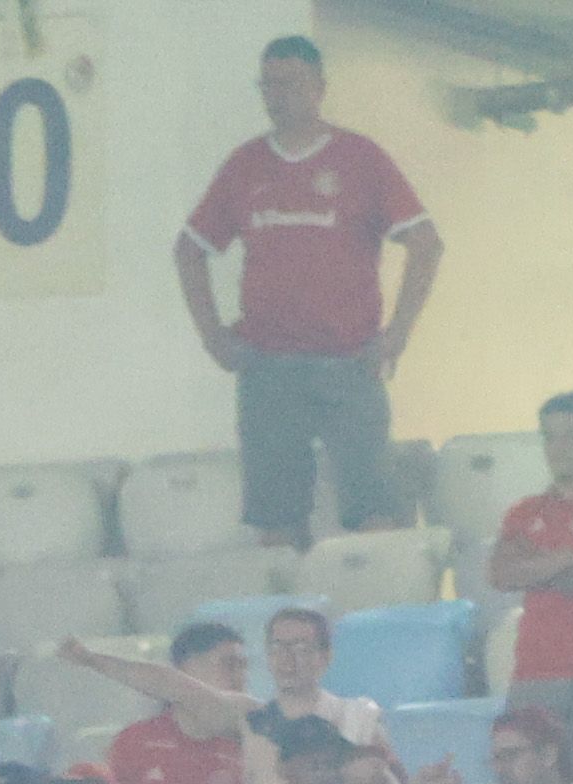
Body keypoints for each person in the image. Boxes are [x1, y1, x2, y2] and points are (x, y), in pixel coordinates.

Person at [176, 36, 438, 548]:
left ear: (319, 87)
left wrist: (397, 336)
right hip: (268, 368)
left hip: (350, 362)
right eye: (268, 85)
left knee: (371, 508)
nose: (278, 96)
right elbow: (189, 249)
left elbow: (426, 244)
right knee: (276, 515)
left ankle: (372, 609)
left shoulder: (360, 159)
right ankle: (288, 620)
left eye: (290, 83)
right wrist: (212, 337)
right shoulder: (246, 165)